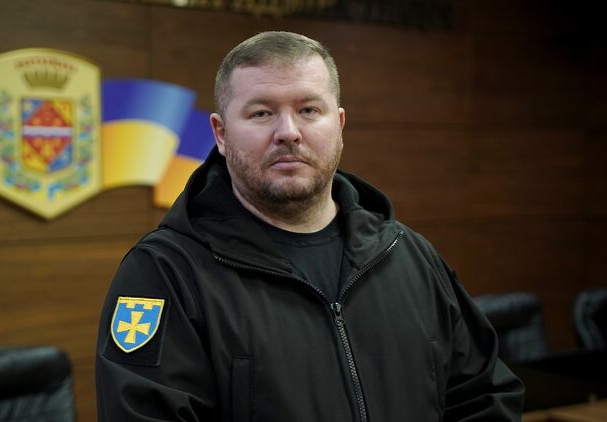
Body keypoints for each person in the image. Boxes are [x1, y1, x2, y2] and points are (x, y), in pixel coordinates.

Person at [96, 31, 524, 421]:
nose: (289, 132)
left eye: (308, 110)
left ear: (339, 124)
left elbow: (484, 398)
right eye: (261, 113)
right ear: (221, 134)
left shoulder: (409, 256)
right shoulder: (165, 273)